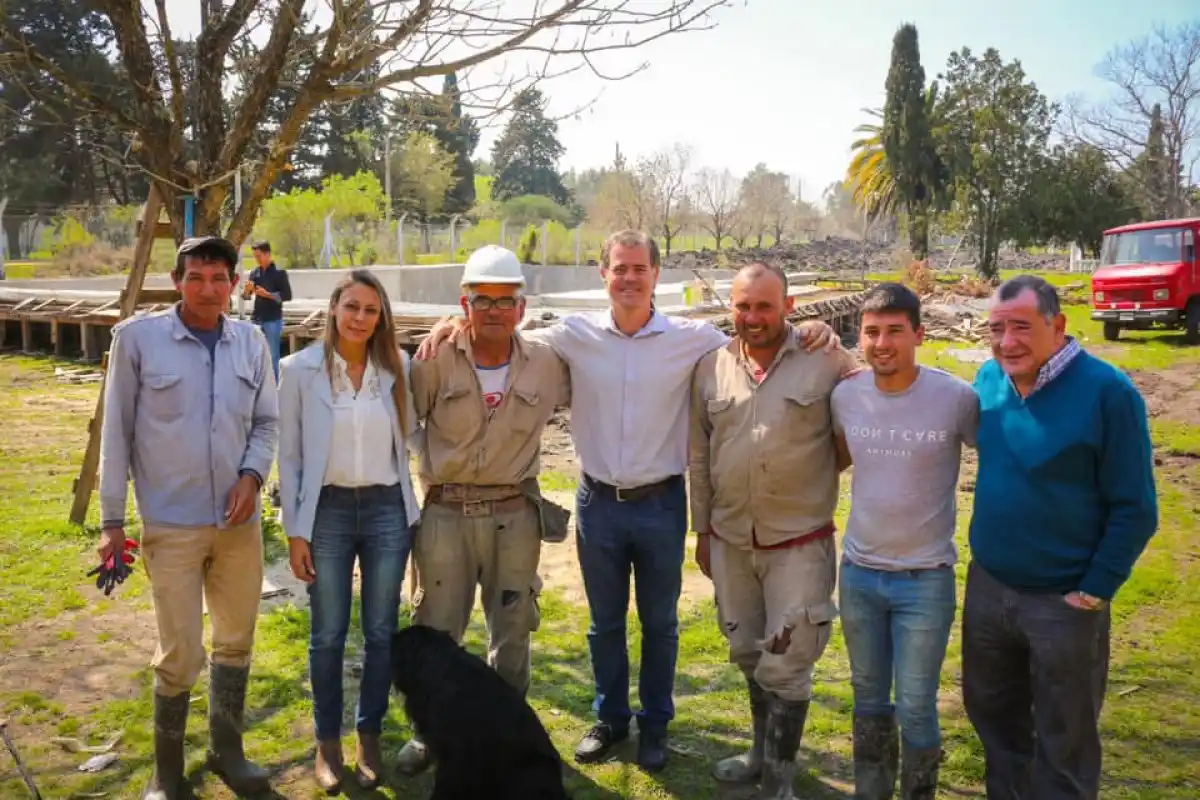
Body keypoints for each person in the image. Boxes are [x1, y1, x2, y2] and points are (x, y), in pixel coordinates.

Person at [416, 231, 841, 773]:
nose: (629, 278)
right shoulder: (572, 335)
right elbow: (500, 326)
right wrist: (453, 323)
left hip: (662, 504)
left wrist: (811, 330)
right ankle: (611, 719)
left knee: (661, 624)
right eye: (619, 268)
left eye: (639, 268)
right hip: (600, 503)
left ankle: (656, 725)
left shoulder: (694, 339)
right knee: (605, 623)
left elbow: (757, 337)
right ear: (604, 274)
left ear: (656, 275)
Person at [97, 236, 279, 800]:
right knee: (179, 652)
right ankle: (167, 774)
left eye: (220, 278)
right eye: (196, 277)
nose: (208, 288)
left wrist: (251, 476)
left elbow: (267, 423)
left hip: (237, 527)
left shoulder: (250, 343)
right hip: (170, 524)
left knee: (236, 640)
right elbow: (116, 435)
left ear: (233, 284)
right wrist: (111, 521)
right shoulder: (138, 341)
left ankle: (229, 752)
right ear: (177, 281)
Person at [962, 275, 1158, 799]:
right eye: (997, 329)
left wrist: (1094, 589)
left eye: (1021, 327)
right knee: (994, 720)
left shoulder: (1108, 393)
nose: (1007, 342)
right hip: (989, 588)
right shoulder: (989, 380)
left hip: (1064, 600)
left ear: (1058, 325)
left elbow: (1136, 508)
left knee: (1064, 737)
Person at [394, 245, 571, 776]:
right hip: (446, 513)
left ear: (522, 305)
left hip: (514, 514)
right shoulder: (433, 358)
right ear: (463, 303)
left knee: (512, 630)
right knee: (436, 628)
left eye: (505, 300)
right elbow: (406, 422)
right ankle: (430, 732)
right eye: (481, 300)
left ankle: (508, 728)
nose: (493, 310)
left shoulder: (547, 361)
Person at [688, 262, 858, 799]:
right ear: (730, 306)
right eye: (743, 305)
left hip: (799, 543)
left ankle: (779, 786)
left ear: (788, 305)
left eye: (765, 305)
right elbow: (699, 456)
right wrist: (703, 533)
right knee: (747, 654)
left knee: (787, 665)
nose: (753, 316)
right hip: (732, 540)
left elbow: (864, 418)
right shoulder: (711, 368)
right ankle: (760, 753)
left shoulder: (825, 358)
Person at [829, 283, 978, 799]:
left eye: (895, 330)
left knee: (916, 703)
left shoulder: (956, 398)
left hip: (925, 580)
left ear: (919, 332)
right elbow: (837, 457)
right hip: (859, 574)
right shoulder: (846, 395)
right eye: (871, 332)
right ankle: (872, 791)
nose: (882, 342)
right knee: (868, 695)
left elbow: (1008, 454)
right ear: (860, 336)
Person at [276, 270, 422, 791]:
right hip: (328, 513)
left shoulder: (397, 367)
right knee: (328, 634)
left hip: (386, 510)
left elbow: (414, 439)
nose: (360, 318)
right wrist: (295, 530)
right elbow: (289, 457)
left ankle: (369, 736)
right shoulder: (298, 371)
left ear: (381, 318)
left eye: (371, 310)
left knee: (381, 633)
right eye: (352, 306)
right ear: (334, 308)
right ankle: (327, 744)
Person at [243, 240, 291, 381]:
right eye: (255, 256)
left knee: (273, 355)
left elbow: (287, 296)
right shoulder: (255, 273)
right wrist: (247, 291)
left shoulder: (279, 273)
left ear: (267, 254)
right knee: (254, 353)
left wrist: (268, 295)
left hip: (273, 319)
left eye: (259, 256)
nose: (256, 259)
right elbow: (246, 297)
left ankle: (275, 387)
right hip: (257, 318)